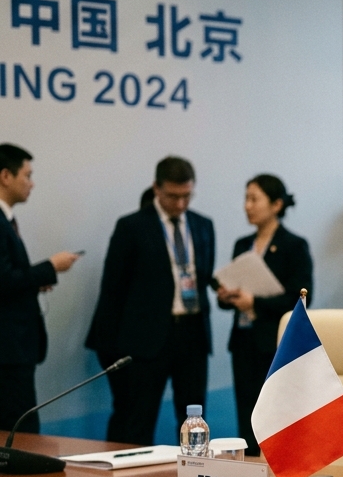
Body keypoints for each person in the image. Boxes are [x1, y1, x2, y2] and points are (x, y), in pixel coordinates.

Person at [86, 156, 215, 444]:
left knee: (194, 422)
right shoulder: (132, 226)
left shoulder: (202, 225)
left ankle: (195, 470)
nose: (180, 204)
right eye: (173, 196)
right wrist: (111, 347)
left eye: (187, 196)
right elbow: (113, 289)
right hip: (147, 339)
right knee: (138, 421)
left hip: (192, 334)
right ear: (157, 188)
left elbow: (202, 275)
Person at [216, 175, 314, 456]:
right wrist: (227, 297)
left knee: (276, 416)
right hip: (243, 341)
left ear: (276, 204)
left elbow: (302, 297)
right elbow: (235, 291)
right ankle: (249, 470)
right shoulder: (242, 244)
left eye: (254, 199)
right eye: (246, 199)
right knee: (247, 414)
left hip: (274, 342)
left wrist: (255, 303)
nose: (247, 206)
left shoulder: (294, 245)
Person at [0, 144, 80, 433]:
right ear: (5, 176)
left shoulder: (7, 220)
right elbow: (4, 280)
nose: (32, 184)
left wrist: (36, 281)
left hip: (14, 350)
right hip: (7, 351)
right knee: (19, 432)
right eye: (27, 175)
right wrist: (50, 267)